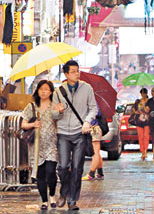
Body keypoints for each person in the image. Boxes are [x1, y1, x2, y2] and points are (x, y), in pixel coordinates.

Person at [52, 60, 98, 211]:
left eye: (77, 71)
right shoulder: (59, 91)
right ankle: (64, 192)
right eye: (73, 71)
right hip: (63, 133)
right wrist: (57, 111)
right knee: (63, 166)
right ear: (66, 74)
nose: (76, 74)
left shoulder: (87, 88)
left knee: (77, 168)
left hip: (80, 133)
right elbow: (53, 113)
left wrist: (87, 121)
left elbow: (93, 109)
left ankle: (72, 200)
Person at [22, 80, 60, 211]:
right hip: (37, 146)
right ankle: (44, 201)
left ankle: (52, 195)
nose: (43, 91)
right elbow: (23, 124)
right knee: (40, 175)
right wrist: (33, 124)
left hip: (52, 144)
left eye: (46, 89)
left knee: (51, 172)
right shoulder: (32, 106)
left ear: (51, 92)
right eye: (41, 89)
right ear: (37, 90)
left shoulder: (55, 106)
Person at [82, 107, 104, 181]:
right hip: (94, 128)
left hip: (94, 128)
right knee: (97, 152)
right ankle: (100, 173)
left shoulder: (93, 103)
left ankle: (91, 174)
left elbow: (97, 112)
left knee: (95, 153)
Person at [132, 88, 150, 160]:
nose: (143, 95)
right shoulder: (138, 101)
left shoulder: (149, 101)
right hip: (139, 121)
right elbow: (133, 108)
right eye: (142, 93)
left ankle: (145, 151)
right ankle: (142, 151)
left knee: (146, 136)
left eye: (144, 93)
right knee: (140, 136)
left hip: (147, 121)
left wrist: (145, 107)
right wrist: (136, 112)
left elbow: (149, 110)